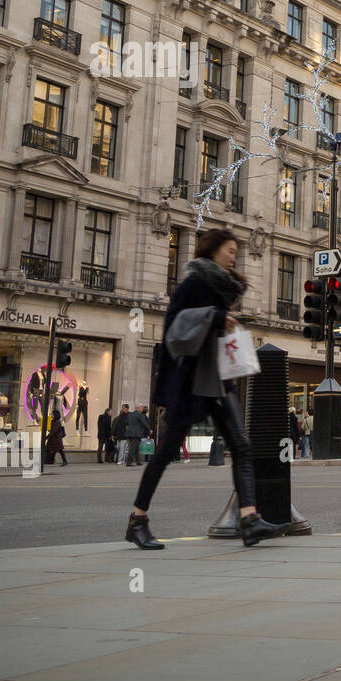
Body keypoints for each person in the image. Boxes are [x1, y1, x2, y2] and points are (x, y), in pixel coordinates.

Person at [126, 228, 289, 550]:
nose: (234, 257)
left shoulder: (222, 287)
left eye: (235, 252)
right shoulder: (192, 283)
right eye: (229, 251)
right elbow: (174, 328)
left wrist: (224, 320)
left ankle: (249, 518)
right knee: (166, 452)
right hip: (190, 382)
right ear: (212, 251)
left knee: (242, 446)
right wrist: (215, 317)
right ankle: (137, 520)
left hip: (217, 379)